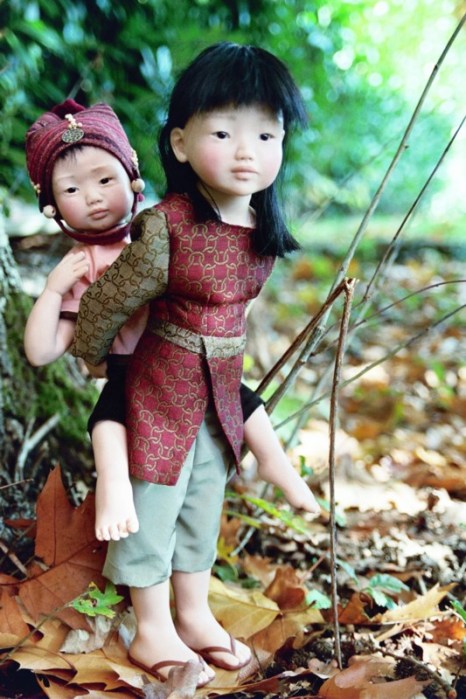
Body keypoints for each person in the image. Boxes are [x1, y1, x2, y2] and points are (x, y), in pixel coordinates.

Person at [69, 43, 319, 687]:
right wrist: (95, 357)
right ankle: (153, 625)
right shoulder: (168, 227)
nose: (246, 152)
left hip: (220, 393)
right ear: (180, 143)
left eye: (266, 135)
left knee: (203, 504)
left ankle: (194, 612)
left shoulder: (262, 227)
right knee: (153, 503)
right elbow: (110, 298)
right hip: (158, 389)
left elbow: (238, 316)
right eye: (223, 133)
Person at [23, 99, 318, 547]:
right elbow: (42, 351)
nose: (93, 197)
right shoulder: (80, 267)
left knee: (239, 394)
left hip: (189, 353)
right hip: (131, 366)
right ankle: (114, 487)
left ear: (132, 178)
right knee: (108, 416)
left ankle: (274, 460)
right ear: (51, 206)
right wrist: (52, 292)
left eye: (105, 180)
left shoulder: (160, 226)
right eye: (71, 189)